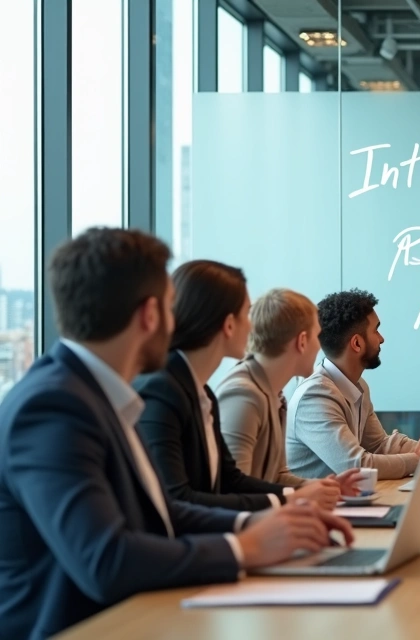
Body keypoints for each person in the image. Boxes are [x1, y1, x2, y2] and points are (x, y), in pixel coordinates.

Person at [0, 229, 352, 640]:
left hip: (135, 615)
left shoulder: (98, 394)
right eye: (171, 307)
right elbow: (106, 561)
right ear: (150, 315)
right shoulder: (54, 407)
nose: (177, 322)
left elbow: (163, 511)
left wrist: (259, 523)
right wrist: (245, 547)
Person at [136, 262, 356, 511]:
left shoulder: (203, 392)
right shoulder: (177, 391)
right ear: (229, 324)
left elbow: (232, 479)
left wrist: (312, 490)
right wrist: (292, 499)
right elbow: (185, 500)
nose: (252, 326)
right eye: (246, 314)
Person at [286, 289, 420, 479]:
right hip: (315, 501)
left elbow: (379, 444)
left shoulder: (358, 386)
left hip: (346, 497)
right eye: (376, 330)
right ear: (357, 343)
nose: (382, 339)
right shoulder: (315, 396)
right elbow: (357, 465)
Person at [216, 288, 340, 489]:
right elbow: (235, 489)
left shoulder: (273, 394)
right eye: (317, 336)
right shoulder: (243, 395)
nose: (320, 346)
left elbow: (275, 477)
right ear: (302, 341)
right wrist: (302, 494)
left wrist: (322, 488)